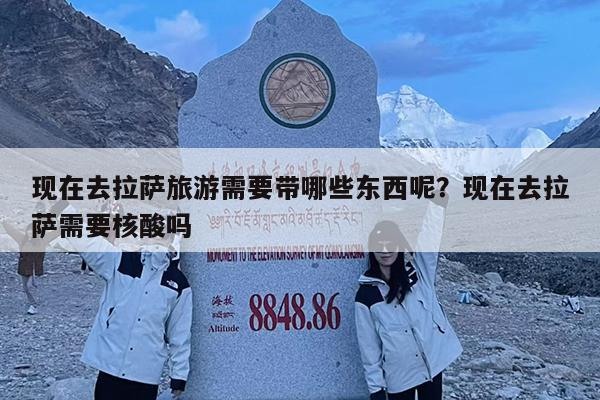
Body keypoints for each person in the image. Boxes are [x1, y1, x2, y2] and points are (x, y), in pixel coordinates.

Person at [51, 201, 193, 400]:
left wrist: (178, 376)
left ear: (172, 238)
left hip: (146, 375)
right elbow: (89, 242)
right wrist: (64, 211)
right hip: (111, 367)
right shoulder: (120, 261)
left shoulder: (179, 284)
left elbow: (180, 333)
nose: (158, 237)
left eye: (164, 233)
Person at [354, 196, 462, 400]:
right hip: (399, 377)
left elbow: (429, 238)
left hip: (432, 365)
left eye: (390, 244)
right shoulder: (366, 295)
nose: (385, 250)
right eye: (378, 245)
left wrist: (436, 205)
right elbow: (369, 348)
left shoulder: (418, 272)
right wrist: (376, 389)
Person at [1, 202, 59, 315]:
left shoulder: (42, 240)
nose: (30, 232)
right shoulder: (22, 239)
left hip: (35, 269)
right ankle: (33, 302)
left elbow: (56, 232)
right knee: (26, 288)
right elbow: (12, 231)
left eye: (32, 230)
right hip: (23, 268)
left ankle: (34, 305)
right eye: (28, 230)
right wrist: (4, 222)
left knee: (30, 286)